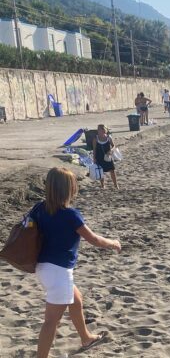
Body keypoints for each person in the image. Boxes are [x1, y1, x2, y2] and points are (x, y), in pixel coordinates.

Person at [33, 167, 121, 358]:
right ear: (69, 189)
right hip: (59, 272)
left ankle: (86, 337)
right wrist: (114, 243)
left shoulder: (39, 208)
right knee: (51, 322)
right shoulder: (70, 215)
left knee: (76, 299)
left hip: (42, 268)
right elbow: (94, 240)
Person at [92, 124, 118, 189]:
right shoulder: (96, 139)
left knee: (112, 170)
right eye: (98, 129)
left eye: (100, 129)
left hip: (108, 157)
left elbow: (114, 146)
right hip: (99, 156)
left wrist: (111, 150)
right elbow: (94, 149)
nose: (98, 131)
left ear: (104, 130)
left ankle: (116, 185)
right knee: (101, 171)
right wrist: (94, 158)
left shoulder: (109, 138)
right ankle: (102, 185)